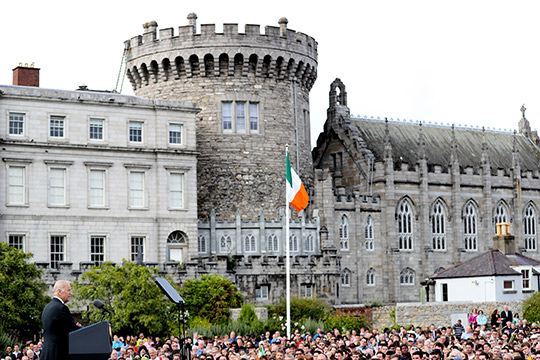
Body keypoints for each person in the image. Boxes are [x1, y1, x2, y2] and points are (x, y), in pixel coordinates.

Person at [40, 280, 81, 360]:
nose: (71, 293)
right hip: (58, 353)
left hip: (47, 353)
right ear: (59, 291)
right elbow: (72, 329)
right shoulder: (61, 308)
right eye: (68, 290)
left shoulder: (48, 307)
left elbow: (61, 328)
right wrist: (80, 328)